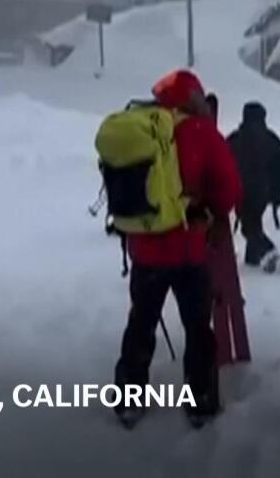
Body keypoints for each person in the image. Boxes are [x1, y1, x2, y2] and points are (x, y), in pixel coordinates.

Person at [113, 70, 242, 428]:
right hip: (189, 250)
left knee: (141, 322)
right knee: (198, 328)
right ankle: (201, 403)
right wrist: (212, 211)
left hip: (145, 250)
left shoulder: (141, 131)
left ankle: (129, 399)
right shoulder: (202, 133)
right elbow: (229, 189)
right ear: (193, 99)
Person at [205, 94, 251, 365]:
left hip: (187, 226)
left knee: (210, 293)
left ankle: (221, 353)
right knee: (227, 291)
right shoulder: (216, 143)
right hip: (217, 224)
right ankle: (236, 352)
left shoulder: (177, 139)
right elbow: (231, 186)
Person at [226, 102, 280, 273]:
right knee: (254, 223)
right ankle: (252, 261)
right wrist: (276, 193)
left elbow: (221, 163)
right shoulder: (271, 139)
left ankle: (268, 251)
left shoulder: (236, 139)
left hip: (241, 191)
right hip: (263, 191)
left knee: (249, 227)